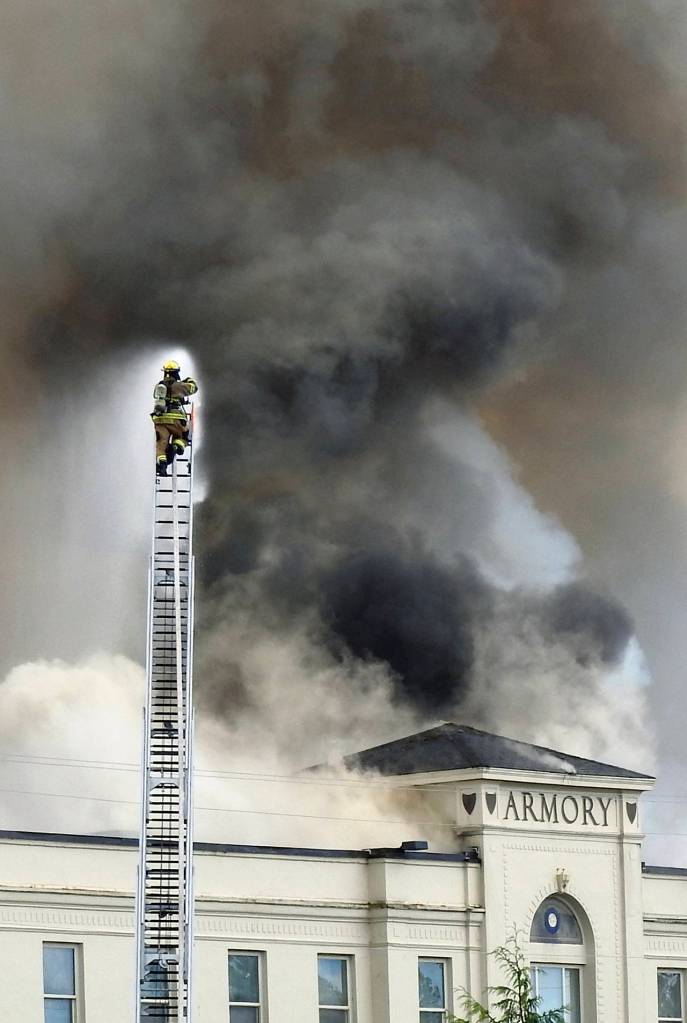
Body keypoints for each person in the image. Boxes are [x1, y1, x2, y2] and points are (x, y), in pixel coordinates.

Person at [151, 360, 198, 476]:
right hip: (176, 420)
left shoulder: (159, 386)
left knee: (161, 445)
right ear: (176, 373)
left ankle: (162, 467)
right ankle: (176, 447)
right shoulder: (179, 386)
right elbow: (193, 388)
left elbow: (156, 397)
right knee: (184, 437)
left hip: (160, 420)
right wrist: (189, 380)